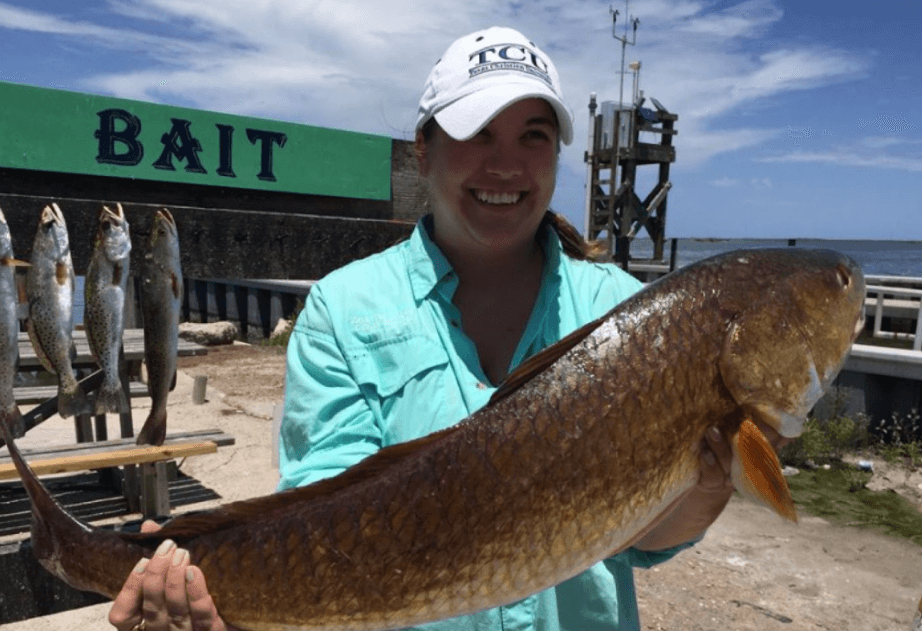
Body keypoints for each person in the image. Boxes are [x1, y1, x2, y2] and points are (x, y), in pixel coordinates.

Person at [108, 26, 788, 631]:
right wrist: (218, 587)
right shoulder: (343, 309)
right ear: (423, 151)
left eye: (533, 136)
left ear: (556, 156)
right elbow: (327, 520)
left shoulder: (623, 310)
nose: (505, 163)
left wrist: (706, 478)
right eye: (476, 133)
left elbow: (644, 539)